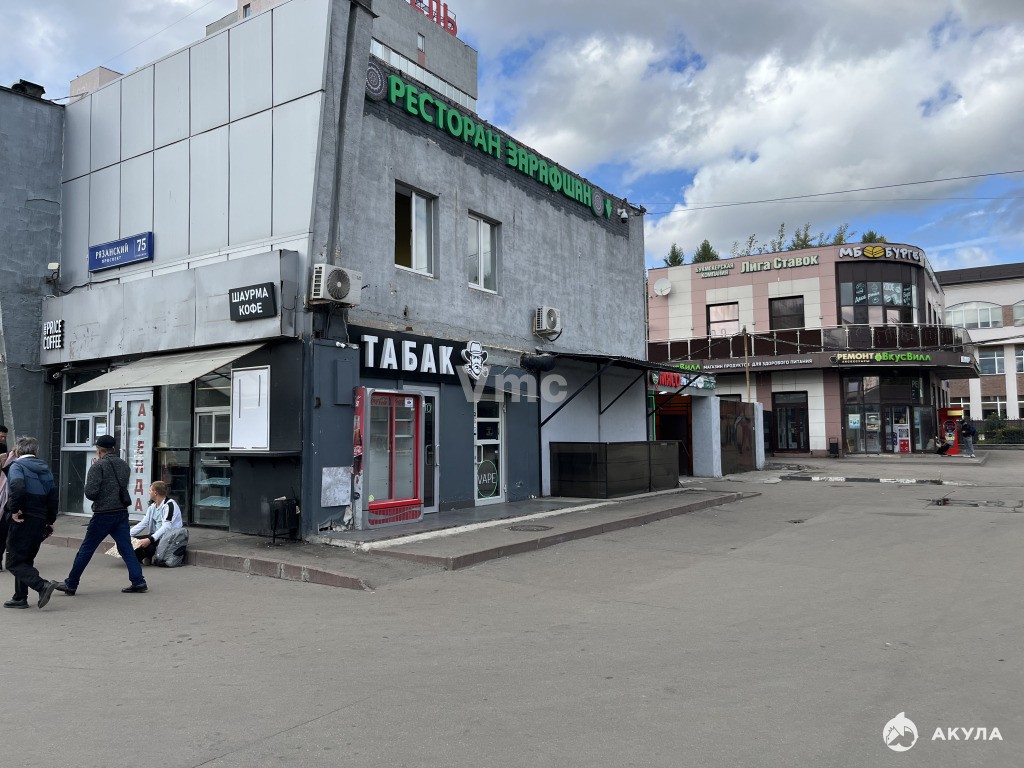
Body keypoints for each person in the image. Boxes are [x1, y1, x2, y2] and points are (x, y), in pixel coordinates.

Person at [55, 435, 148, 596]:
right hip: (121, 512)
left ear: (99, 450)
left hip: (103, 514)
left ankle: (71, 583)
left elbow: (90, 493)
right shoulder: (124, 465)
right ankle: (138, 581)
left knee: (86, 549)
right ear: (113, 448)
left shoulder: (98, 466)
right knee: (126, 548)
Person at [4, 437, 60, 609]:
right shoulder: (45, 469)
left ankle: (42, 586)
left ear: (17, 451)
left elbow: (18, 488)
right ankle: (20, 597)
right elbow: (53, 497)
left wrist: (14, 510)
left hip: (23, 518)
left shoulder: (17, 466)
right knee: (25, 559)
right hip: (40, 519)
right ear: (36, 451)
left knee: (13, 562)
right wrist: (49, 520)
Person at [130, 481, 183, 563]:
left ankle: (148, 557)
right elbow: (144, 523)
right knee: (127, 542)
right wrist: (127, 535)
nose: (149, 492)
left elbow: (166, 527)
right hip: (154, 536)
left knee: (148, 547)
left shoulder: (170, 505)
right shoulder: (152, 506)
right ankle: (145, 558)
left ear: (155, 493)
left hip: (167, 538)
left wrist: (150, 539)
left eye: (150, 490)